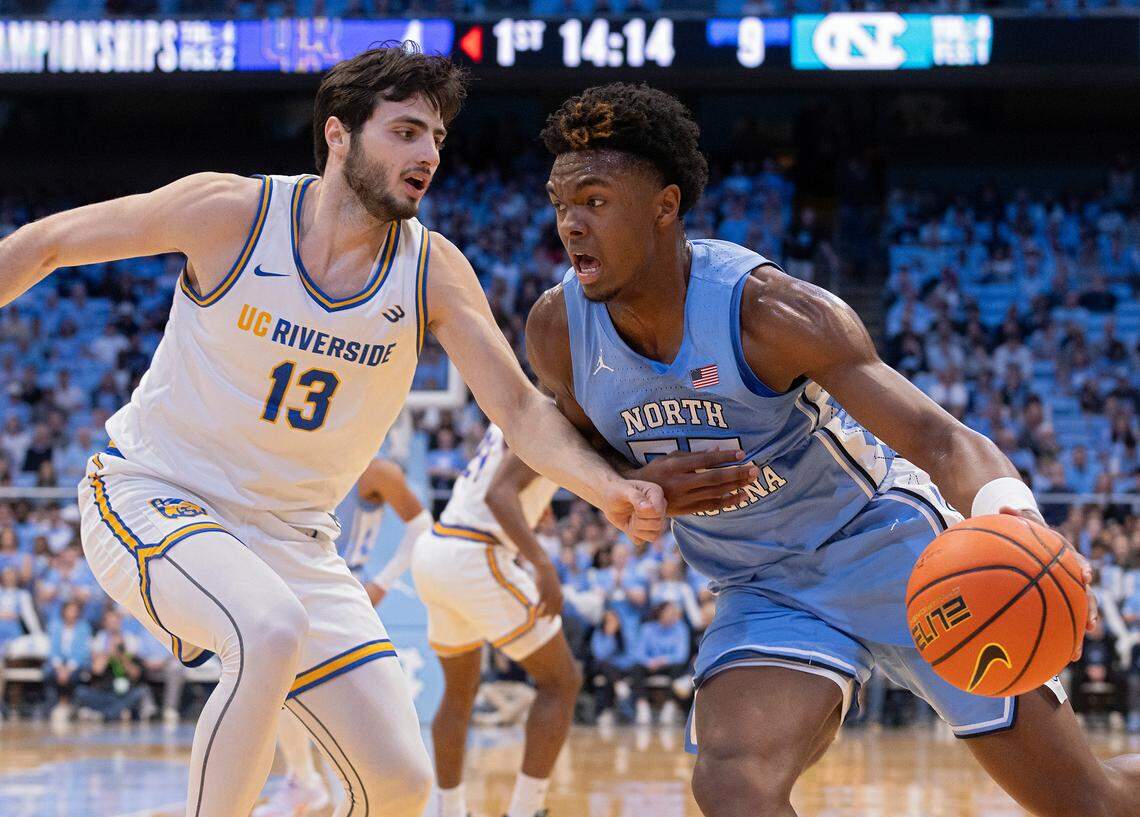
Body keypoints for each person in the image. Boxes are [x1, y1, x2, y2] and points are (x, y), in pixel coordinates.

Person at [0, 49, 671, 817]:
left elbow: (519, 412)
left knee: (397, 782)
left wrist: (609, 486)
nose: (428, 155)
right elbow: (47, 242)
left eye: (439, 140)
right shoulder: (231, 213)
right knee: (268, 627)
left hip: (293, 542)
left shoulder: (431, 271)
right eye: (407, 132)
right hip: (153, 493)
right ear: (339, 136)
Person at [526, 82, 1140, 817]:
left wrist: (1016, 516)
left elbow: (939, 436)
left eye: (593, 200)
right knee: (732, 783)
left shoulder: (771, 311)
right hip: (764, 585)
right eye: (561, 203)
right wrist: (632, 483)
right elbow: (580, 455)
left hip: (891, 552)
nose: (570, 224)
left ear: (665, 205)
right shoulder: (557, 331)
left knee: (1089, 805)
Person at [411, 423, 579, 817]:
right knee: (562, 680)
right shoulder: (551, 414)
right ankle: (525, 810)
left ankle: (450, 811)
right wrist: (543, 566)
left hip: (438, 547)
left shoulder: (512, 401)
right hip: (476, 552)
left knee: (458, 694)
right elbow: (499, 495)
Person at [254, 455, 432, 817]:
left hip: (343, 590)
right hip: (299, 578)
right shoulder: (307, 456)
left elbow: (421, 524)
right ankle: (304, 779)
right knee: (281, 684)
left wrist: (383, 581)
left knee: (359, 715)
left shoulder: (376, 468)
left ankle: (333, 785)